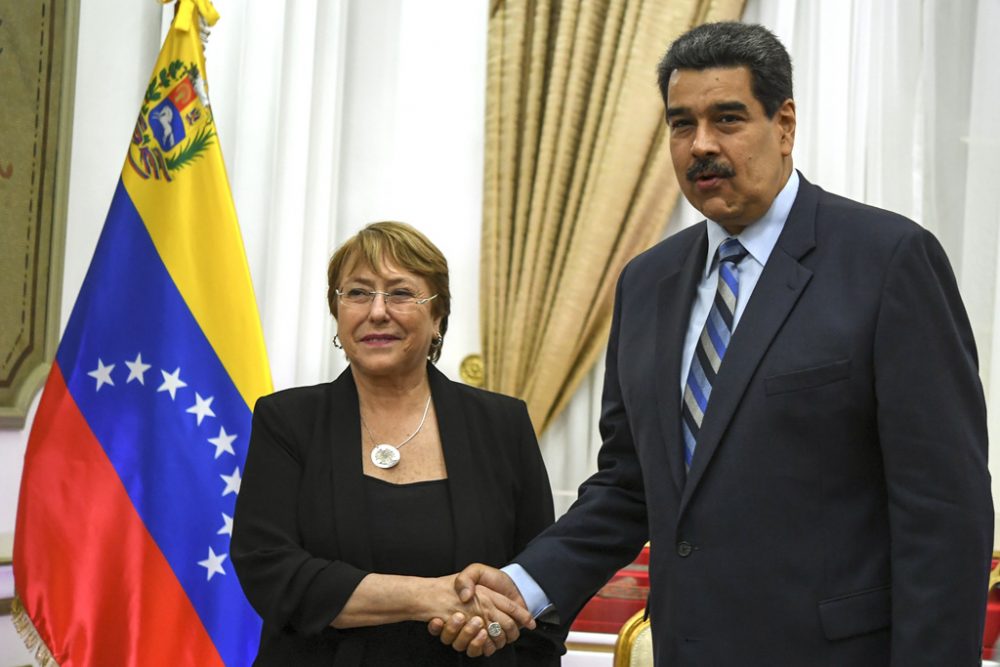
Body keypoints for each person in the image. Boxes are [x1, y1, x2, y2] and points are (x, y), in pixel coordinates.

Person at [433, 22, 994, 666]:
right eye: (680, 124)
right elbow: (627, 487)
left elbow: (944, 511)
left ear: (784, 125)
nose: (701, 145)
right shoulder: (645, 283)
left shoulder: (888, 262)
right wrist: (523, 587)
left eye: (727, 119)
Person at [232, 221, 563, 665]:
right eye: (358, 293)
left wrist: (495, 628)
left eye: (401, 293)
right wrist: (431, 597)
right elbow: (271, 570)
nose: (377, 312)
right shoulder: (287, 421)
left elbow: (541, 574)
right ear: (338, 313)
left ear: (438, 316)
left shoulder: (501, 424)